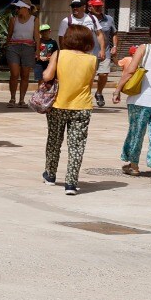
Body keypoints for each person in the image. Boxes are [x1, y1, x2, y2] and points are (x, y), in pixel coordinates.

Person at [40, 23, 97, 195]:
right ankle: (71, 183)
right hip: (82, 106)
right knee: (77, 145)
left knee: (54, 141)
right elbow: (89, 82)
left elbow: (47, 76)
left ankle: (50, 175)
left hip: (58, 104)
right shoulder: (92, 59)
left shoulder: (59, 54)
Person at [118, 19, 151, 183]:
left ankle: (134, 166)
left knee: (136, 131)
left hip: (141, 99)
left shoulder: (144, 48)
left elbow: (130, 70)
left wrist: (118, 89)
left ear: (150, 33)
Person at [3, 0, 38, 107]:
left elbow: (36, 35)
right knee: (14, 73)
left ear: (25, 8)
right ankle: (12, 98)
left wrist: (37, 50)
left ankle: (22, 100)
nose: (16, 9)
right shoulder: (13, 20)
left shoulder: (34, 19)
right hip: (14, 47)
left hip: (28, 48)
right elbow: (9, 35)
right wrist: (7, 45)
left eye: (18, 7)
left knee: (25, 75)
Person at [87, 0, 118, 107]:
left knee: (104, 74)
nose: (99, 8)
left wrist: (114, 46)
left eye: (100, 6)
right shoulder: (86, 19)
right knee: (89, 76)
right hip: (89, 52)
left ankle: (99, 93)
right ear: (90, 8)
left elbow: (114, 33)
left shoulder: (109, 18)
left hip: (105, 51)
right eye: (96, 6)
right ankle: (86, 96)